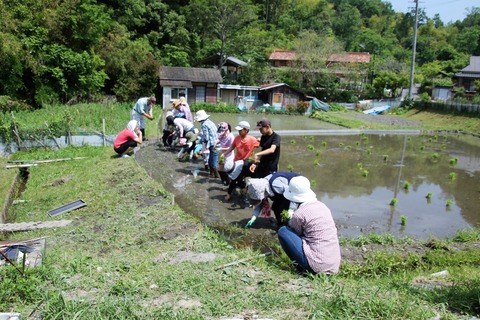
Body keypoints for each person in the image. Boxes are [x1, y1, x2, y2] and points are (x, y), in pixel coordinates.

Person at [278, 176, 341, 275]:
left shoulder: (299, 214)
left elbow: (296, 233)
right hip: (333, 265)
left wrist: (290, 220)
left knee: (283, 231)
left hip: (316, 266)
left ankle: (301, 267)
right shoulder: (322, 206)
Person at [221, 121, 259, 201]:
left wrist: (260, 139)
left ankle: (248, 191)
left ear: (246, 130)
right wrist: (224, 154)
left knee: (254, 177)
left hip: (247, 163)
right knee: (234, 179)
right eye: (238, 130)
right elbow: (232, 147)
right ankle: (230, 193)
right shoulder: (237, 138)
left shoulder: (252, 140)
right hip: (237, 163)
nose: (239, 132)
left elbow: (262, 145)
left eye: (240, 130)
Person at [194, 110, 219, 178]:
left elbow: (206, 138)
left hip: (213, 145)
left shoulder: (204, 125)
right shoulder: (210, 122)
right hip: (216, 143)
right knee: (210, 161)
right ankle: (211, 174)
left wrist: (198, 141)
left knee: (213, 163)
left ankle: (217, 176)